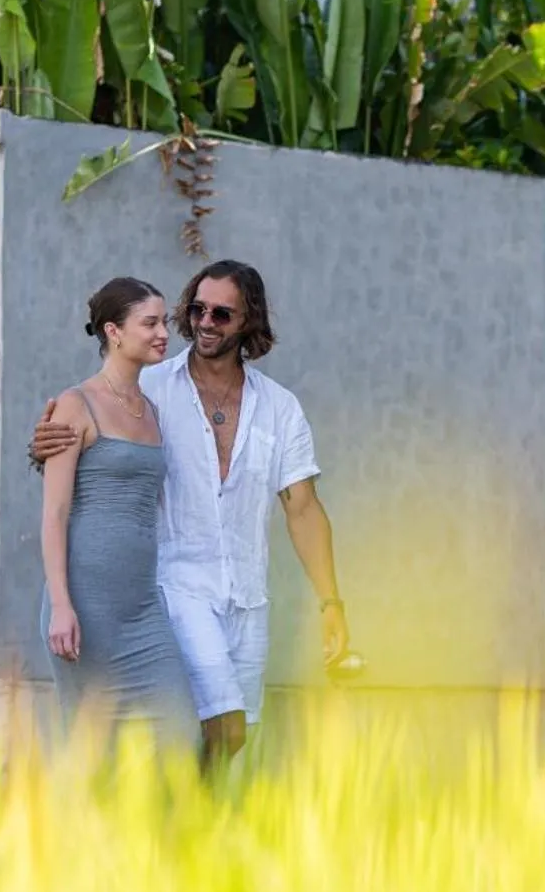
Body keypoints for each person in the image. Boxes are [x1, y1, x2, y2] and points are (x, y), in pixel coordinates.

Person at [32, 259, 351, 771]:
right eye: (197, 309)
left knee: (234, 733)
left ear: (249, 320)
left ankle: (181, 829)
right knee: (211, 723)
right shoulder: (152, 388)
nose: (204, 322)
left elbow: (304, 510)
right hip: (175, 591)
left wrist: (331, 601)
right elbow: (91, 447)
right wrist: (46, 444)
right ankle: (169, 821)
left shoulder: (280, 408)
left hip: (248, 596)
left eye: (221, 314)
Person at [38, 278, 200, 754]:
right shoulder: (76, 404)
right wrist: (62, 605)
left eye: (163, 322)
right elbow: (54, 512)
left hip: (142, 609)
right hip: (86, 605)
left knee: (179, 737)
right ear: (113, 331)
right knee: (96, 751)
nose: (162, 333)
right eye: (149, 323)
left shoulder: (150, 410)